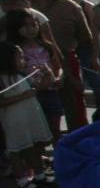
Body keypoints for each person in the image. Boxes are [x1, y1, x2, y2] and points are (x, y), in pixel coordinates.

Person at [28, 0, 91, 131]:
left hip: (67, 61)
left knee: (75, 109)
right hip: (27, 65)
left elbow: (85, 39)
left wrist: (83, 70)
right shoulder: (20, 5)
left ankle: (79, 147)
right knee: (36, 112)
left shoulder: (71, 7)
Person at [0, 41, 53, 188]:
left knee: (34, 146)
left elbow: (41, 86)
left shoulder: (21, 75)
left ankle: (39, 175)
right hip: (14, 122)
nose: (24, 61)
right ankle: (22, 179)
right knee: (17, 150)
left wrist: (47, 73)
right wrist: (23, 96)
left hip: (30, 117)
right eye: (19, 58)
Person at [7, 8, 64, 141]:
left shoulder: (47, 46)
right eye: (25, 26)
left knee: (55, 127)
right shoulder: (15, 49)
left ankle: (59, 155)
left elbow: (58, 67)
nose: (30, 29)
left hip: (51, 92)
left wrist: (59, 77)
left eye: (33, 25)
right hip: (32, 94)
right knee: (38, 128)